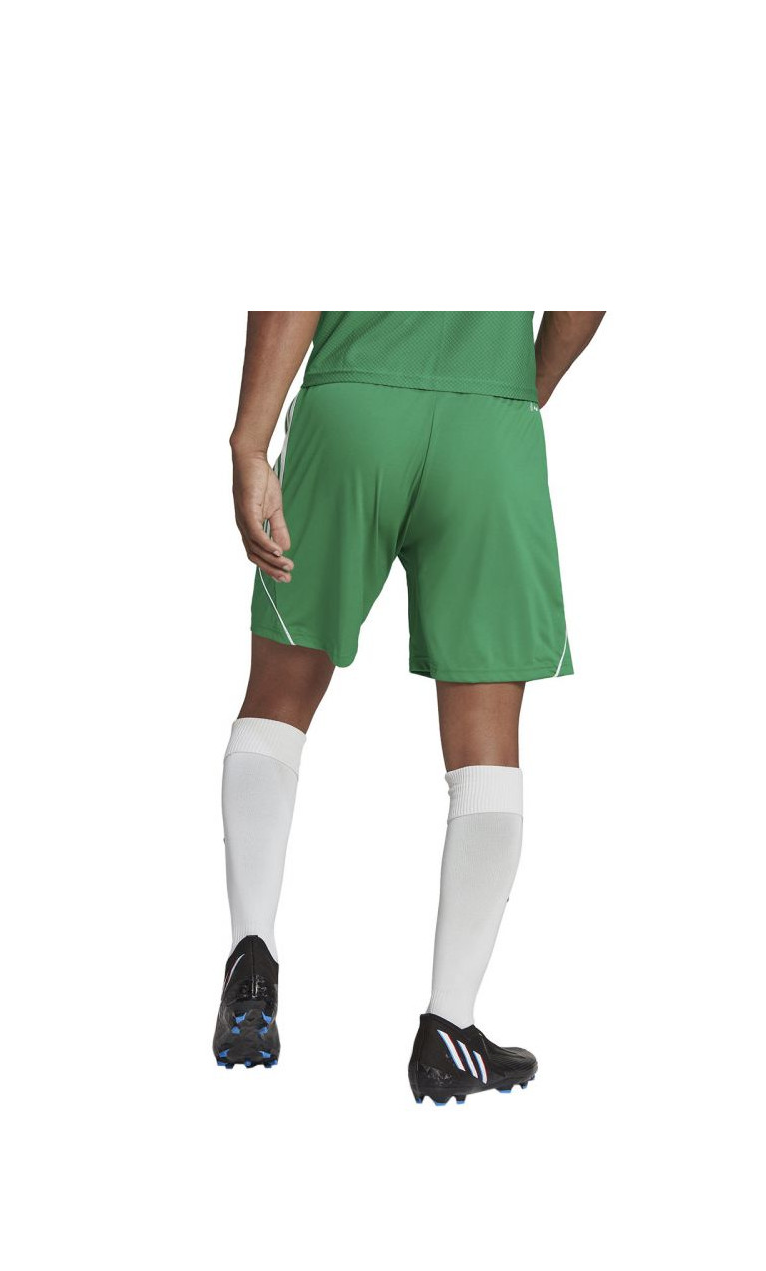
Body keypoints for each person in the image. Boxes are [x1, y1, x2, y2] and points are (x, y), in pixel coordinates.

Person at [213, 311, 605, 1103]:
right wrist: (516, 391)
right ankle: (449, 1029)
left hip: (353, 405)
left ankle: (252, 955)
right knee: (486, 743)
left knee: (279, 699)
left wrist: (250, 443)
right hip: (488, 421)